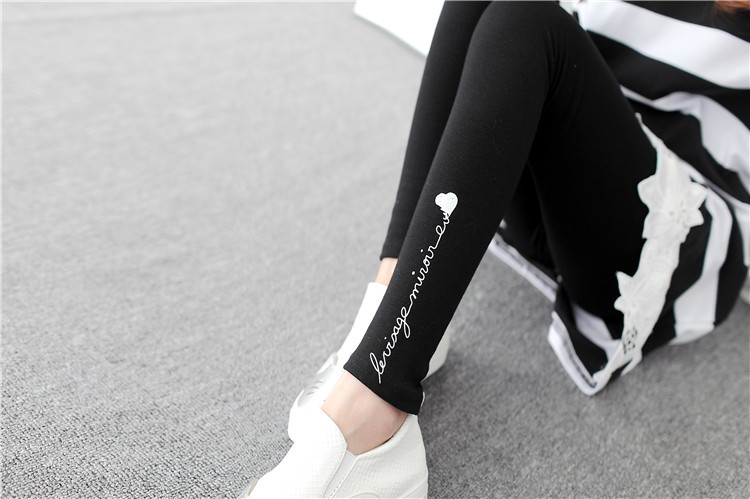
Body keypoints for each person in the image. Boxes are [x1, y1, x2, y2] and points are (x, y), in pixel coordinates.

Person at [240, 1, 749, 497]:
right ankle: (388, 321)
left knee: (525, 19)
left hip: (675, 215)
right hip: (570, 145)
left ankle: (375, 408)